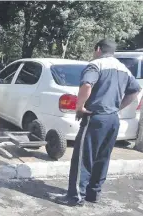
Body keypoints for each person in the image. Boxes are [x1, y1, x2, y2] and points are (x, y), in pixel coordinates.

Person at [56, 39, 142, 206]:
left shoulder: (96, 64)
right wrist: (118, 107)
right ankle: (93, 194)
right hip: (112, 120)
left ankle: (75, 197)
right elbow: (135, 91)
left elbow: (87, 84)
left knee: (83, 158)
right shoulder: (123, 68)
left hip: (95, 117)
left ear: (98, 49)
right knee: (102, 158)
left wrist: (79, 107)